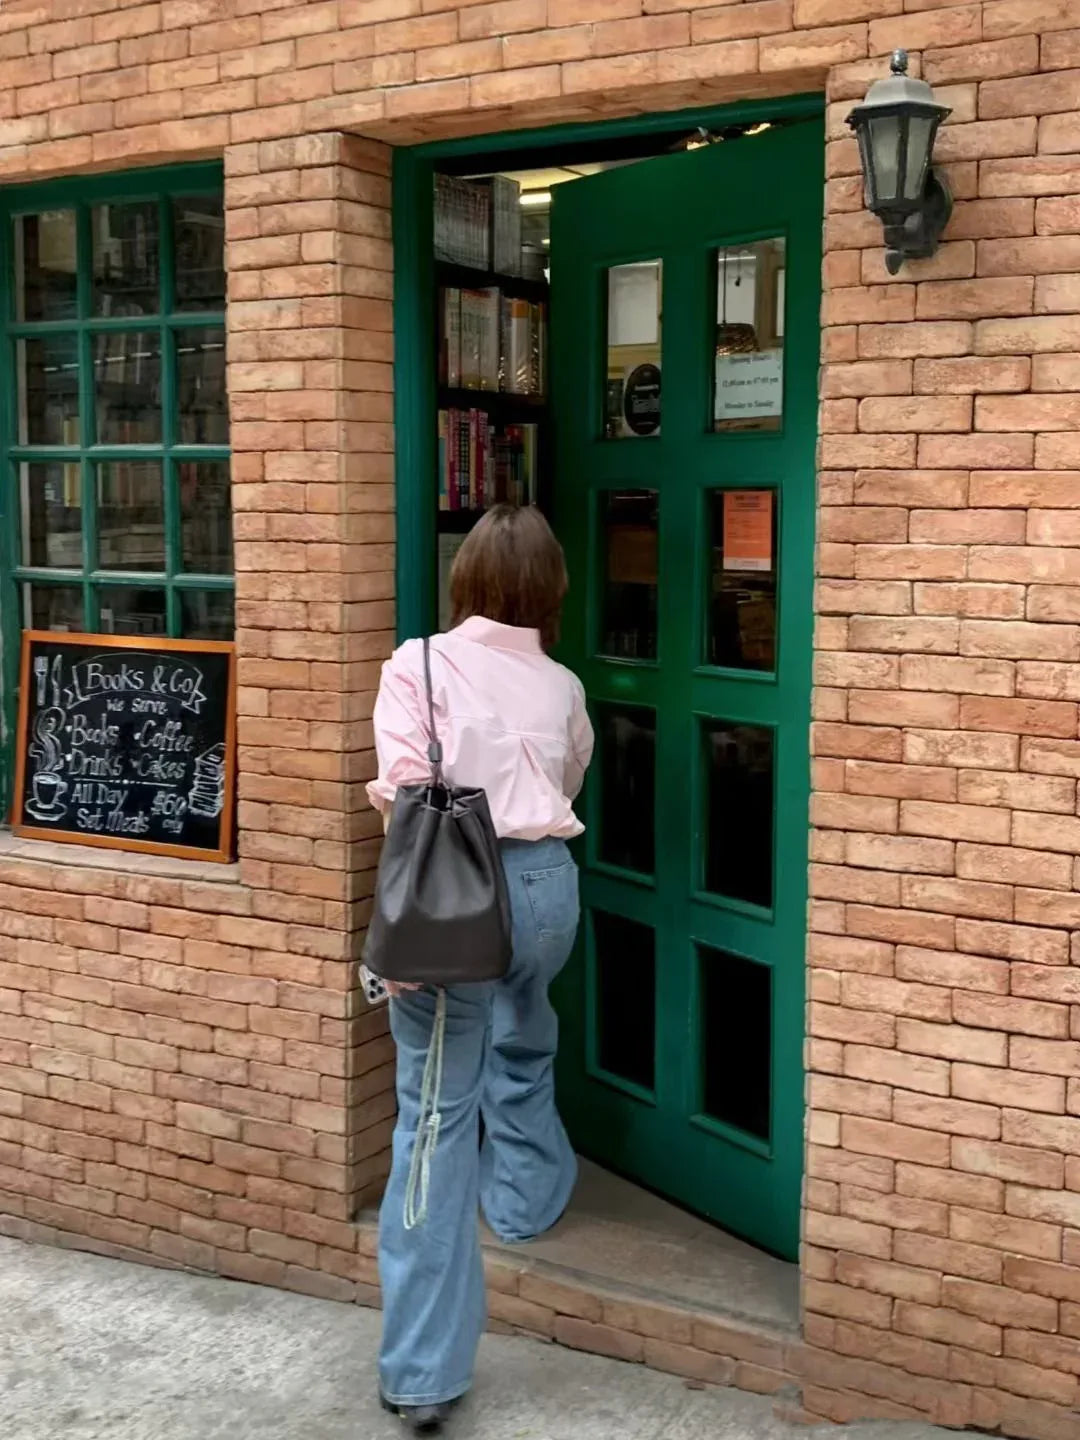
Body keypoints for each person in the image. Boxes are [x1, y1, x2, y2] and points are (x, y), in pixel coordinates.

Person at [365, 505, 594, 1435]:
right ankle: (526, 1205)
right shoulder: (563, 682)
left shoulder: (418, 664)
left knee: (431, 1117)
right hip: (545, 887)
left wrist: (404, 940)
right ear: (551, 589)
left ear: (465, 581)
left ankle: (423, 1369)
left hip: (450, 897)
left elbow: (401, 798)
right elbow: (569, 780)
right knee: (525, 1041)